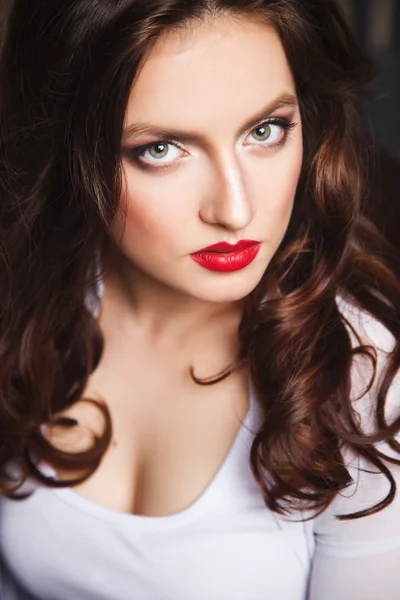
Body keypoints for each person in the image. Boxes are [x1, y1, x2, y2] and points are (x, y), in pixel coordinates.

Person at [1, 0, 400, 598]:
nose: (235, 210)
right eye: (161, 149)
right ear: (70, 149)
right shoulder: (27, 287)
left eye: (265, 131)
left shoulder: (361, 378)